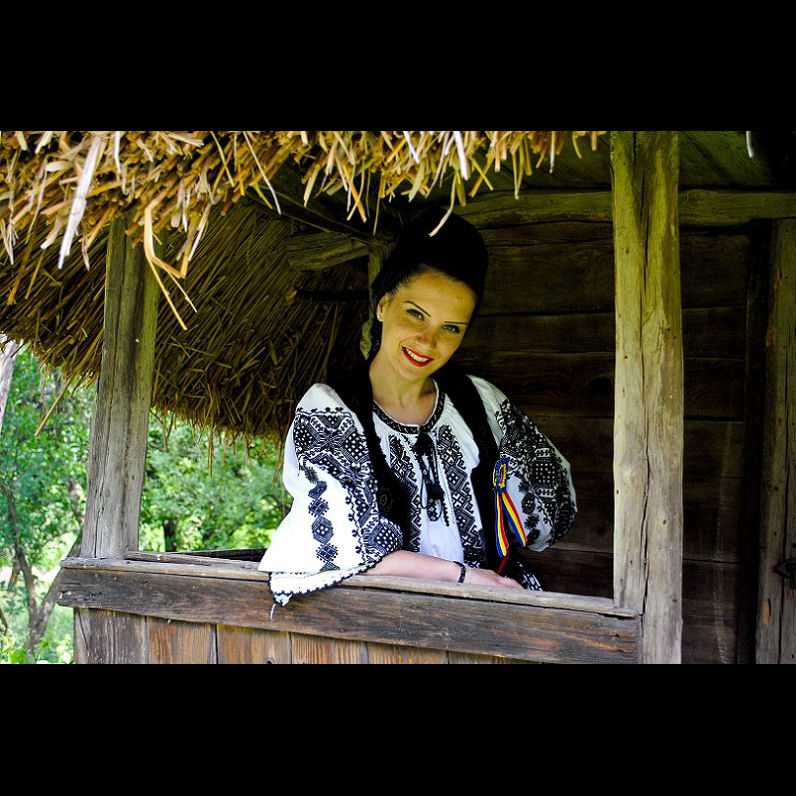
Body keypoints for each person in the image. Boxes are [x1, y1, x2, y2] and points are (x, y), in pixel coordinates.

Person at [258, 207, 577, 606]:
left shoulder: (481, 403)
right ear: (383, 304)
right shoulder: (332, 411)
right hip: (384, 622)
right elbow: (349, 552)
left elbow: (553, 513)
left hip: (492, 615)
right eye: (415, 314)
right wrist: (463, 576)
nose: (428, 341)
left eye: (450, 328)